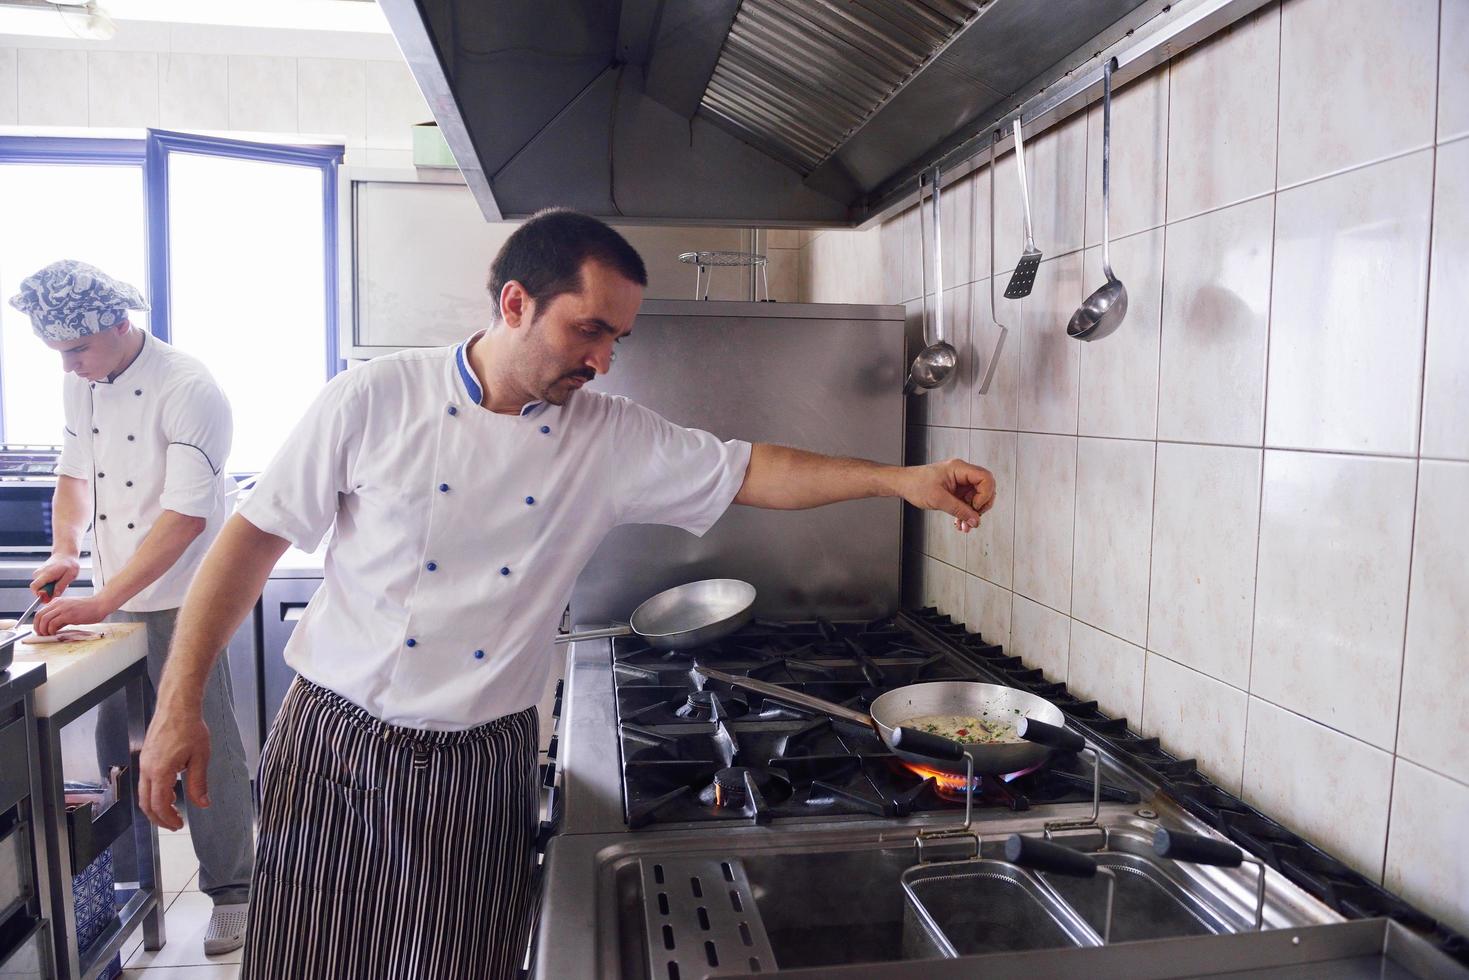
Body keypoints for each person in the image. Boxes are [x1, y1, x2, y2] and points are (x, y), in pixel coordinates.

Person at [136, 210, 997, 980]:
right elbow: (247, 542)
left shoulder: (608, 436)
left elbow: (752, 469)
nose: (603, 359)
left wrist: (900, 478)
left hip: (480, 758)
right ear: (515, 304)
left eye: (616, 338)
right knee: (306, 958)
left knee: (457, 965)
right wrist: (180, 706)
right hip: (338, 740)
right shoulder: (374, 397)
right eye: (589, 330)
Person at [9, 260, 255, 956]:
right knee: (116, 752)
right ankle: (116, 888)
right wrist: (65, 550)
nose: (70, 366)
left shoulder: (189, 389)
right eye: (59, 354)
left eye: (76, 350)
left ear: (121, 324)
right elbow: (72, 473)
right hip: (114, 591)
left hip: (187, 593)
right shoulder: (80, 384)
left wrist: (100, 599)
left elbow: (182, 518)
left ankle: (234, 890)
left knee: (203, 741)